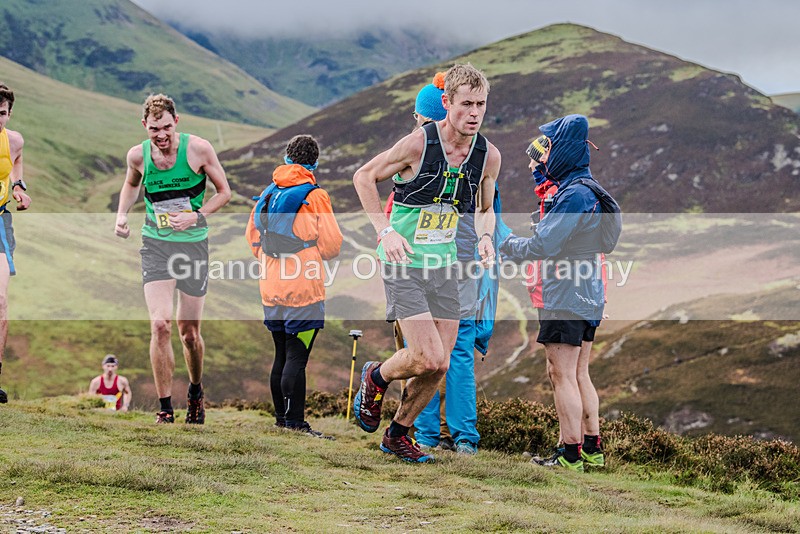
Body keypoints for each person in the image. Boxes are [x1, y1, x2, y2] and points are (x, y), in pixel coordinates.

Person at [352, 63, 501, 463]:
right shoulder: (418, 144)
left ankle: (398, 434)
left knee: (440, 364)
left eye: (481, 104)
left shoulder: (488, 156)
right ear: (447, 103)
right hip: (404, 262)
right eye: (466, 103)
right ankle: (375, 376)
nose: (474, 112)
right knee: (428, 356)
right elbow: (364, 177)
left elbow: (486, 207)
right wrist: (385, 231)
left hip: (445, 265)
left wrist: (486, 236)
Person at [499, 114, 607, 472]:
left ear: (563, 150)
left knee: (560, 374)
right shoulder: (586, 188)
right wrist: (538, 170)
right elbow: (551, 194)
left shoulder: (572, 196)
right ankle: (592, 449)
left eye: (550, 147)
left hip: (565, 292)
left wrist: (506, 244)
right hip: (590, 290)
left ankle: (570, 454)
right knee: (580, 373)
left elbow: (544, 243)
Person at [114, 94, 231, 424]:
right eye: (154, 129)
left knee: (189, 334)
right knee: (160, 324)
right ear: (144, 126)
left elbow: (224, 192)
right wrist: (121, 216)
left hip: (193, 245)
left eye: (166, 127)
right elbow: (130, 183)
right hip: (156, 245)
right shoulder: (138, 155)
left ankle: (195, 391)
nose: (161, 135)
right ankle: (165, 408)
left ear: (176, 122)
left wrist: (197, 215)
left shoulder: (199, 150)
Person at [245, 134, 342, 438]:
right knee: (297, 357)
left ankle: (280, 420)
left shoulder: (268, 192)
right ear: (314, 163)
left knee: (281, 355)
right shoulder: (315, 195)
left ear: (287, 158)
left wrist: (271, 258)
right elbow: (332, 245)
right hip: (304, 287)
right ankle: (296, 423)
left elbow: (253, 238)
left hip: (270, 284)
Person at [0, 83, 31, 405]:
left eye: (2, 113)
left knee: (0, 302)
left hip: (0, 222)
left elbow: (16, 166)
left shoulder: (14, 141)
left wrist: (20, 189)